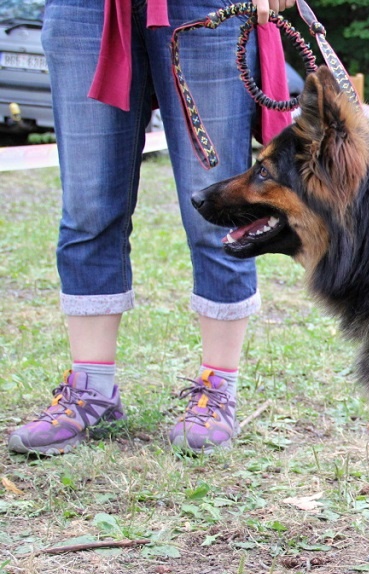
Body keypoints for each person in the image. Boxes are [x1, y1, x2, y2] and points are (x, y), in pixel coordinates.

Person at [7, 0, 296, 455]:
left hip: (204, 8)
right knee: (88, 210)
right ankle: (92, 388)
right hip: (85, 9)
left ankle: (218, 389)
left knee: (217, 215)